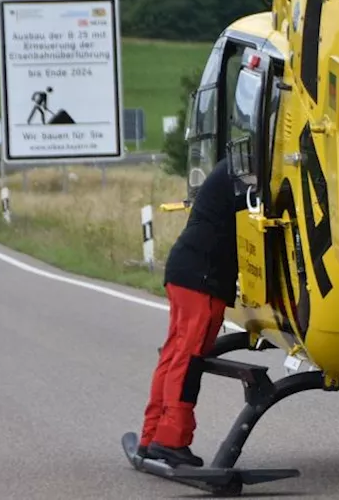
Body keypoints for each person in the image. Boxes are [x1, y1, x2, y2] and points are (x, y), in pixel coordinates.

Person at [137, 157, 246, 467]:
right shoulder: (248, 168)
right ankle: (170, 441)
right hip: (202, 277)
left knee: (174, 353)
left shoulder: (234, 165)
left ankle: (151, 436)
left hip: (185, 269)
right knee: (188, 357)